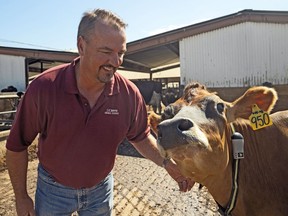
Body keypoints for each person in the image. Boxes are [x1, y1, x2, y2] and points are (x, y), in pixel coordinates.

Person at [6, 9, 194, 216]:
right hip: (53, 190)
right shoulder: (45, 88)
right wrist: (21, 197)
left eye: (120, 53)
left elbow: (140, 137)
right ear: (81, 46)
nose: (116, 61)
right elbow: (17, 145)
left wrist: (167, 163)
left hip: (100, 191)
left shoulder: (128, 94)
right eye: (106, 51)